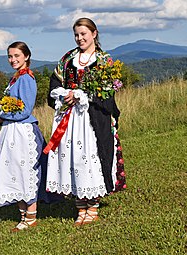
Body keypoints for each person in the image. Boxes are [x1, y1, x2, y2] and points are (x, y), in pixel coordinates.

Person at [45, 18, 126, 226]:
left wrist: (81, 95)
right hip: (70, 119)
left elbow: (106, 93)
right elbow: (55, 83)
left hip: (92, 120)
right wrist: (64, 94)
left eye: (83, 34)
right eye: (76, 35)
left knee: (90, 159)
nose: (80, 38)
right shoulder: (68, 58)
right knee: (73, 159)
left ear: (94, 33)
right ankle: (80, 206)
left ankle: (93, 205)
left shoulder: (103, 60)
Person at [0, 41, 49, 231]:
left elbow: (25, 110)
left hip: (22, 131)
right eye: (10, 56)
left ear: (26, 56)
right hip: (11, 130)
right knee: (14, 171)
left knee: (26, 171)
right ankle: (23, 214)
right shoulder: (16, 78)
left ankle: (31, 216)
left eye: (17, 56)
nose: (13, 59)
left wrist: (1, 112)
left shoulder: (26, 79)